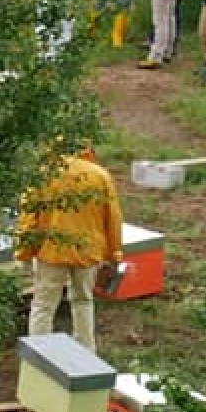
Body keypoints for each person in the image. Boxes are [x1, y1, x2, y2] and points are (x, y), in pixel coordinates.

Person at [15, 150, 123, 351]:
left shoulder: (45, 174)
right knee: (83, 300)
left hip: (51, 251)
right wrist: (114, 254)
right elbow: (113, 218)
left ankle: (38, 353)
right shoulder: (100, 175)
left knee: (43, 305)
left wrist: (24, 251)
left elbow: (29, 216)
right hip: (88, 251)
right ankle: (86, 351)